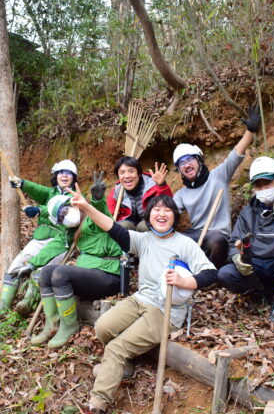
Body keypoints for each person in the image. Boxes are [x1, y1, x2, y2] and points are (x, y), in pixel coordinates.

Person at [68, 188, 217, 414]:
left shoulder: (185, 244)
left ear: (175, 217)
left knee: (117, 348)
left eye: (167, 210)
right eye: (156, 209)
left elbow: (210, 273)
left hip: (166, 310)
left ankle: (96, 404)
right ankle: (123, 366)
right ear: (149, 217)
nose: (161, 213)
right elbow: (111, 226)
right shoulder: (144, 240)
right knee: (102, 327)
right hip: (139, 299)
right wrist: (86, 207)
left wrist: (186, 282)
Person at [31, 172, 123, 349]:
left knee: (60, 272)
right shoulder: (74, 231)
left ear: (74, 205)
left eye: (65, 210)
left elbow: (102, 212)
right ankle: (53, 323)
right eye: (60, 217)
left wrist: (96, 199)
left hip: (108, 274)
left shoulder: (93, 218)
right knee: (46, 272)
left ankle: (69, 326)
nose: (65, 216)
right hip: (90, 277)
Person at [0, 160, 80, 320]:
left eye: (68, 173)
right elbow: (40, 191)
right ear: (56, 175)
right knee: (16, 264)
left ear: (74, 177)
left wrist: (38, 210)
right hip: (41, 238)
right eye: (61, 172)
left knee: (40, 270)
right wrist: (23, 184)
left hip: (60, 241)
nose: (64, 175)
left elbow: (62, 209)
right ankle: (3, 306)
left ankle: (28, 302)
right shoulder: (52, 192)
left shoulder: (74, 197)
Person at [217, 156, 274, 318]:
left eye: (267, 183)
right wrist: (236, 258)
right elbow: (234, 242)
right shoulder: (247, 213)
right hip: (256, 267)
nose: (263, 188)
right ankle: (259, 296)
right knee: (225, 273)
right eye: (258, 185)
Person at [172, 105, 260, 268]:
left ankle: (210, 274)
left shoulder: (218, 176)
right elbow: (168, 213)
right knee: (175, 240)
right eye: (181, 163)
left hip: (219, 237)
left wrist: (250, 131)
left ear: (198, 160)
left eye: (189, 159)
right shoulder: (181, 194)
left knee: (215, 240)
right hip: (198, 234)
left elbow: (235, 156)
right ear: (179, 170)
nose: (186, 165)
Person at [107, 157, 172, 232]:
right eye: (122, 173)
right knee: (122, 226)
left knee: (143, 226)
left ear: (139, 173)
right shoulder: (116, 192)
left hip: (150, 223)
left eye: (131, 171)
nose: (127, 176)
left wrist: (161, 185)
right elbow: (109, 215)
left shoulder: (152, 184)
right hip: (130, 226)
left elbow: (169, 205)